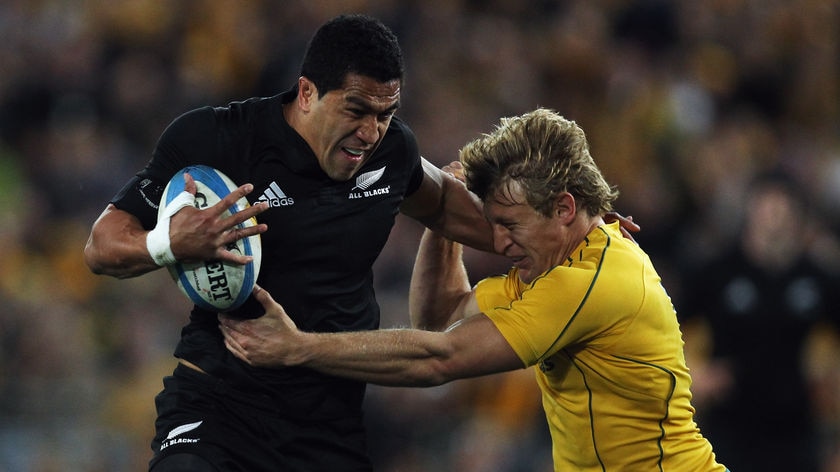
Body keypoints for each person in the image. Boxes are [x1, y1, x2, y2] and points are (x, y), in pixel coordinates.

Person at [84, 14, 500, 472]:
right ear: (306, 93)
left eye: (385, 114)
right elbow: (102, 247)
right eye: (356, 110)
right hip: (220, 409)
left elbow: (457, 211)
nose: (371, 132)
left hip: (329, 425)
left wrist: (576, 238)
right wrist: (167, 242)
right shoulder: (218, 140)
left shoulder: (393, 153)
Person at [220, 108, 728, 471]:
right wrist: (442, 224)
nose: (498, 241)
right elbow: (440, 319)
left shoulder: (588, 283)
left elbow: (436, 358)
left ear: (565, 209)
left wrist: (299, 347)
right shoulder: (556, 260)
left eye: (511, 224)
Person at [678, 171, 840, 472]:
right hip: (731, 426)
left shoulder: (817, 277)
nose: (774, 219)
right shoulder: (717, 272)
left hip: (796, 428)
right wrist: (695, 373)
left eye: (782, 210)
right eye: (767, 209)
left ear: (798, 218)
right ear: (751, 212)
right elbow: (667, 326)